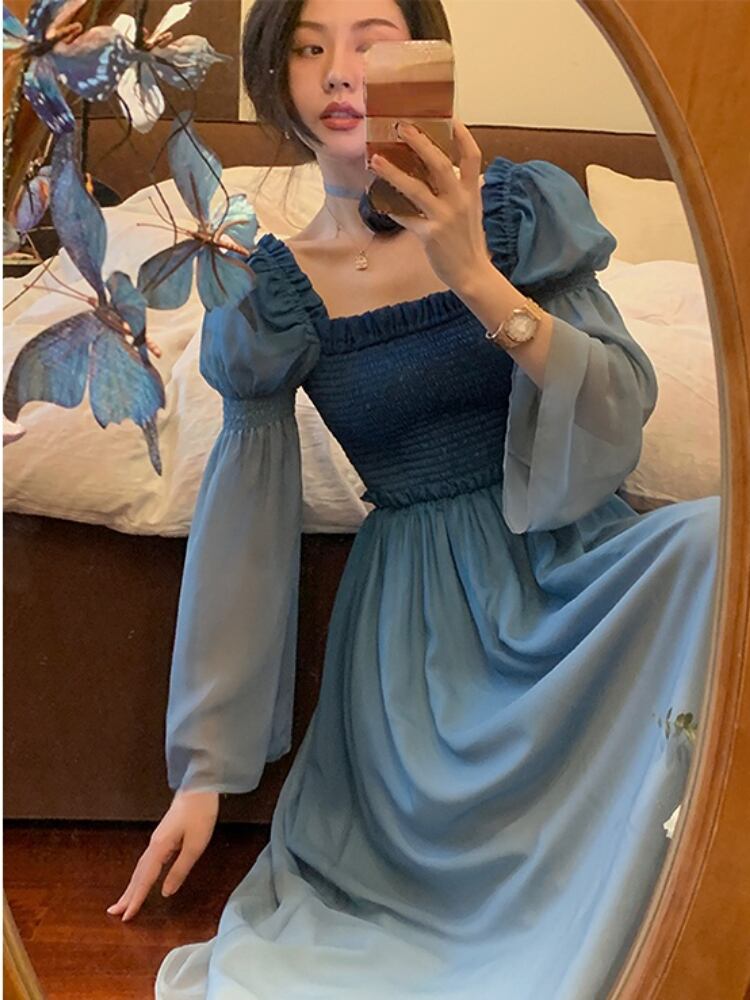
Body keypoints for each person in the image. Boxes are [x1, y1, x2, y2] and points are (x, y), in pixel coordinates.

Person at [107, 1, 720, 997]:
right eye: (309, 47)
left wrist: (476, 275)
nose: (342, 70)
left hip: (566, 568)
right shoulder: (272, 296)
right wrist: (204, 775)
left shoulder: (518, 211)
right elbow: (245, 528)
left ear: (427, 58)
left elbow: (617, 408)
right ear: (277, 83)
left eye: (373, 39)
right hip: (421, 650)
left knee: (718, 541)